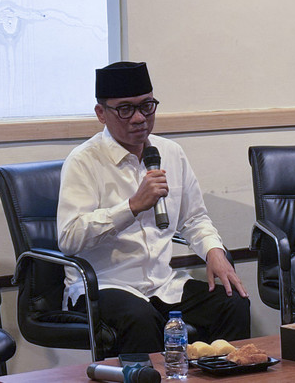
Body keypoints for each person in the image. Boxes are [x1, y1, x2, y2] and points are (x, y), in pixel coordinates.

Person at [57, 61, 250, 354]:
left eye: (147, 106)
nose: (139, 118)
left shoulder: (170, 152)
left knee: (233, 302)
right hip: (106, 286)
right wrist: (132, 206)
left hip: (163, 284)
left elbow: (195, 218)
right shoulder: (83, 161)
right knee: (140, 319)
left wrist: (214, 252)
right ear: (101, 113)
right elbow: (69, 238)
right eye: (125, 109)